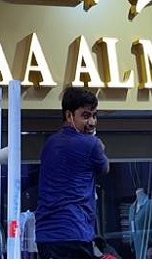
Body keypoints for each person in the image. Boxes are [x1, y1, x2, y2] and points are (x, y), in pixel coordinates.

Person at [35, 86, 109, 259]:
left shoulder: (49, 144)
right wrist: (98, 145)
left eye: (94, 115)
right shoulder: (92, 144)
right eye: (85, 116)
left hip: (45, 236)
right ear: (69, 116)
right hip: (74, 233)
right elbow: (105, 168)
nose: (92, 122)